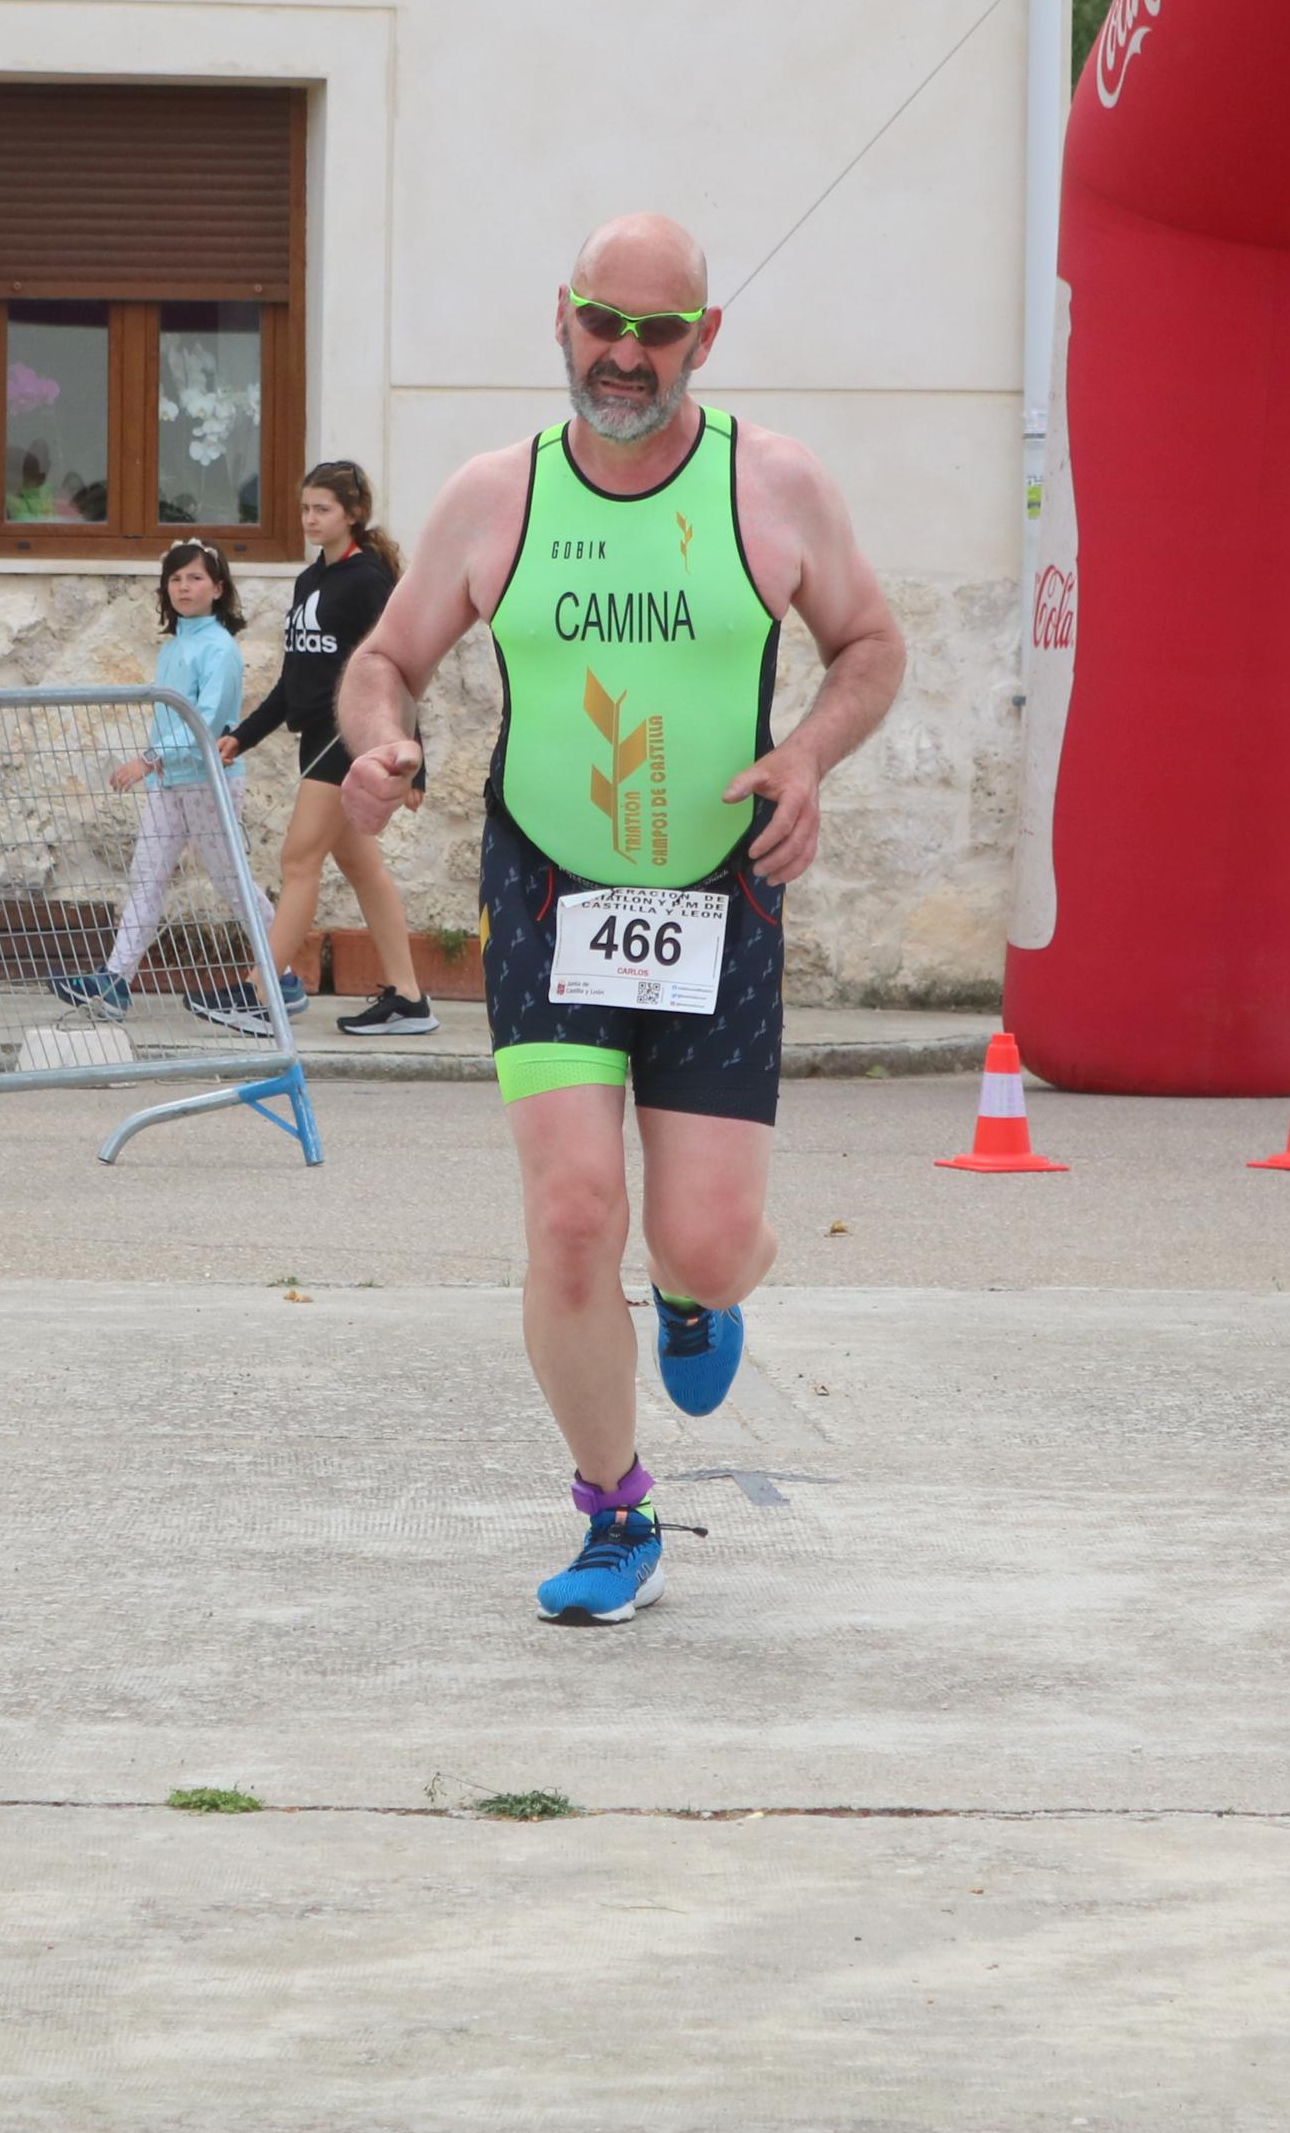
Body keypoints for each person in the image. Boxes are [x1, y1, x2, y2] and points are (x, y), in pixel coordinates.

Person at [338, 213, 904, 1624]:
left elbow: (870, 645)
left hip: (718, 888)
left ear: (703, 340)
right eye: (604, 322)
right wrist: (376, 743)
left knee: (703, 1239)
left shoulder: (769, 487)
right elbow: (383, 658)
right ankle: (612, 1508)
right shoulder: (496, 497)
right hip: (547, 887)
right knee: (575, 1211)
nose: (627, 354)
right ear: (561, 319)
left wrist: (806, 757)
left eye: (659, 331)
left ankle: (704, 1293)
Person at [204, 458, 439, 1040]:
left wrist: (414, 762)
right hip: (315, 736)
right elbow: (294, 679)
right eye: (305, 508)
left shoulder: (369, 582)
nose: (310, 518)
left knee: (298, 859)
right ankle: (409, 998)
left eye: (323, 509)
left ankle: (262, 994)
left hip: (349, 738)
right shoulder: (309, 581)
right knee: (362, 866)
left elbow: (401, 670)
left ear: (353, 514)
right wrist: (244, 734)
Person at [51, 540, 256, 1019]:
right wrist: (158, 764)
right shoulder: (174, 647)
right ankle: (115, 983)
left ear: (218, 588)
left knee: (231, 881)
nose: (184, 587)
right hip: (168, 783)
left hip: (209, 783)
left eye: (196, 578)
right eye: (176, 579)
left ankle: (280, 971)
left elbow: (205, 719)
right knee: (147, 877)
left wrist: (148, 758)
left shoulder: (220, 649)